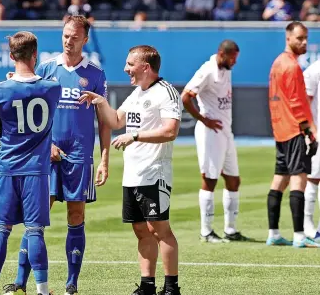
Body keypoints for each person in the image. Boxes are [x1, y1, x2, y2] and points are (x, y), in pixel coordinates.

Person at [4, 15, 111, 295]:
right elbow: (31, 109)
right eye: (65, 35)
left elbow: (105, 122)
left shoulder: (96, 74)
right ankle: (20, 282)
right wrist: (45, 143)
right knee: (36, 218)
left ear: (85, 39)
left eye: (75, 36)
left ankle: (71, 283)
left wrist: (104, 159)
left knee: (76, 216)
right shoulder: (47, 68)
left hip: (79, 156)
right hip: (47, 155)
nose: (68, 40)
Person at [79, 45, 182, 295]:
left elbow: (170, 131)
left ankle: (171, 288)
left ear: (145, 67)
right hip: (133, 175)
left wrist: (134, 136)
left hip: (154, 173)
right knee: (140, 229)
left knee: (160, 229)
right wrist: (100, 101)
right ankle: (147, 285)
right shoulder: (136, 93)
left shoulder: (166, 92)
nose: (126, 69)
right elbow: (115, 121)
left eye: (130, 64)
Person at [0, 31, 61, 295]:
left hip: (7, 167)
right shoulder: (53, 88)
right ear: (35, 55)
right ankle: (42, 290)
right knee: (35, 231)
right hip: (36, 171)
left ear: (10, 55)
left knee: (1, 229)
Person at [181, 40, 249, 243]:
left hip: (226, 131)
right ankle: (206, 231)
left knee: (233, 180)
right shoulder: (208, 70)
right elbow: (185, 97)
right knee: (210, 179)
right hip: (210, 132)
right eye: (232, 58)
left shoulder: (225, 69)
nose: (234, 62)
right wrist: (204, 119)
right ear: (221, 53)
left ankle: (230, 229)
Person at [266, 21, 319, 248]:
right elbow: (298, 102)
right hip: (295, 129)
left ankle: (274, 233)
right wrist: (309, 130)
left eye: (305, 38)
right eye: (299, 38)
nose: (304, 42)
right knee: (299, 180)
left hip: (281, 129)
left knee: (279, 180)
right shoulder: (292, 66)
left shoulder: (278, 63)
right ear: (288, 38)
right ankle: (299, 235)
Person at [302, 59, 320, 241]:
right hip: (318, 132)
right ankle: (307, 225)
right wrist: (311, 130)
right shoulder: (314, 70)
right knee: (313, 178)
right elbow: (305, 103)